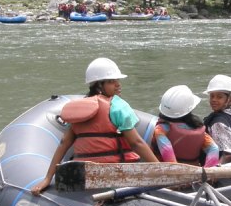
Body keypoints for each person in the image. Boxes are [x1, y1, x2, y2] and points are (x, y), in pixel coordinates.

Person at [30, 57, 157, 195]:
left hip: (85, 174)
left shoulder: (79, 109)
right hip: (117, 173)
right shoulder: (118, 106)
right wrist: (160, 168)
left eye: (117, 80)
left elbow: (64, 142)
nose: (118, 84)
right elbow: (136, 143)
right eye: (111, 81)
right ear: (98, 85)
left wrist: (48, 178)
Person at [152, 85, 220, 167]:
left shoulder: (160, 130)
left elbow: (169, 157)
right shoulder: (197, 127)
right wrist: (206, 172)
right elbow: (214, 149)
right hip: (195, 171)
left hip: (172, 173)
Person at [202, 74, 231, 154]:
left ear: (230, 99)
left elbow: (226, 154)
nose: (214, 100)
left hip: (219, 164)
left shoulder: (218, 123)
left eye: (219, 97)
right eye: (212, 96)